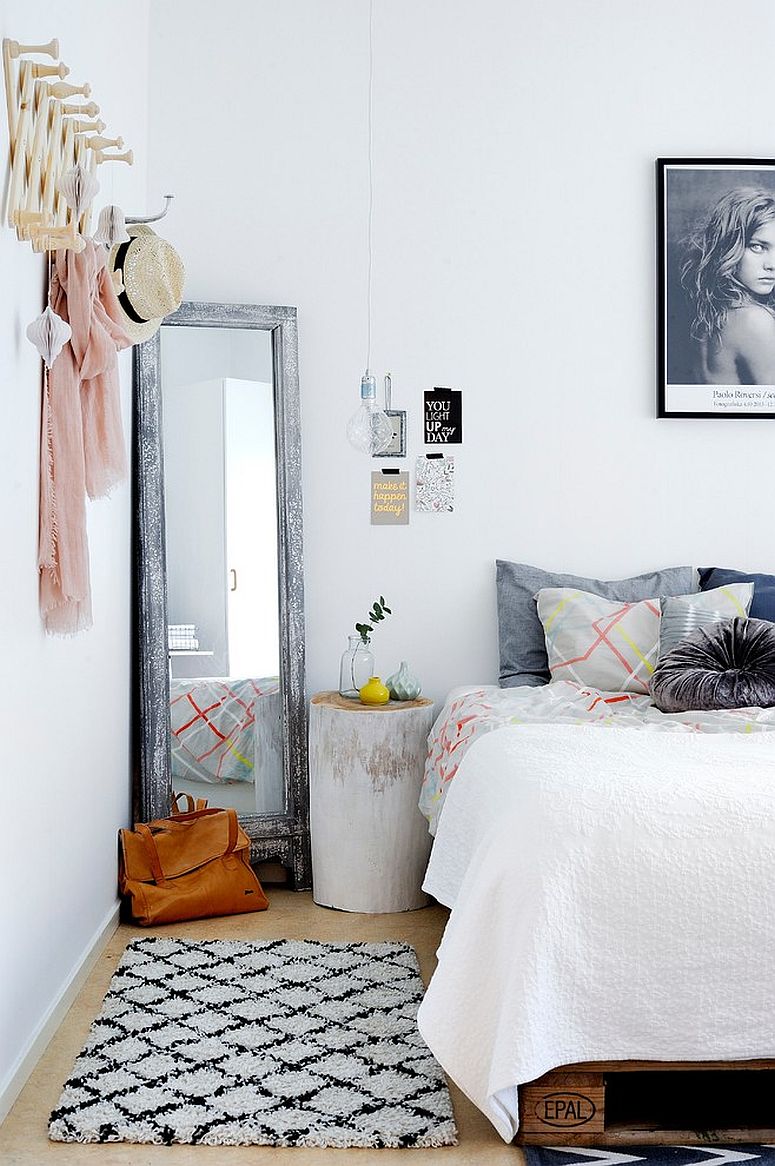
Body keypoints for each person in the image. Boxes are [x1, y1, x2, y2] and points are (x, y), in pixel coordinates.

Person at [681, 186, 775, 385]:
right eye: (757, 247)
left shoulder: (708, 311)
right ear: (729, 246)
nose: (772, 264)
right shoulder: (755, 320)